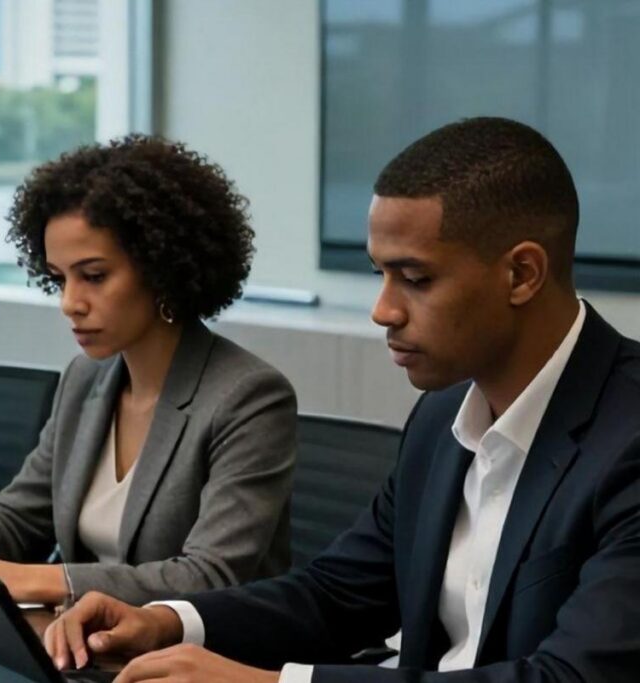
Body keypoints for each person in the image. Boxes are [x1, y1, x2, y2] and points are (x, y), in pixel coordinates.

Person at [43, 117, 640, 682]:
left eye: (416, 279)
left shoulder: (628, 436)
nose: (383, 310)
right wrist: (167, 622)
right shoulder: (442, 417)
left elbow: (571, 676)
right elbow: (337, 594)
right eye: (380, 274)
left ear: (522, 275)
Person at [0, 135, 297, 606]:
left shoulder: (248, 396)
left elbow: (211, 575)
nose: (69, 303)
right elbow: (18, 517)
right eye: (60, 278)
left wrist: (41, 580)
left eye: (95, 276)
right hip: (85, 649)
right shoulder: (86, 379)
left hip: (198, 664)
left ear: (164, 269)